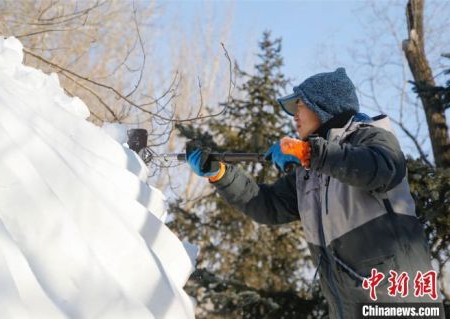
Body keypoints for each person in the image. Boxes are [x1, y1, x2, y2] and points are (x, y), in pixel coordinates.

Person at [186, 68, 444, 318]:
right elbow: (268, 204)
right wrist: (221, 175)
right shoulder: (310, 176)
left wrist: (309, 154)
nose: (294, 116)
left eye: (300, 105)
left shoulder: (372, 138)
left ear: (325, 107)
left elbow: (381, 168)